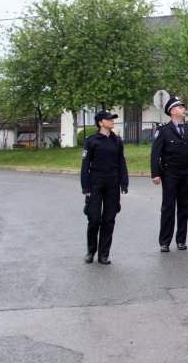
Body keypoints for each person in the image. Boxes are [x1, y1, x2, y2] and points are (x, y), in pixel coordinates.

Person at [150, 96, 188, 252]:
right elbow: (155, 154)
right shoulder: (163, 131)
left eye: (183, 107)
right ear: (172, 111)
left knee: (184, 208)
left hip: (187, 174)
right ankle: (165, 241)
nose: (183, 109)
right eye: (180, 107)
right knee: (168, 208)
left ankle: (181, 240)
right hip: (170, 173)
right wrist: (156, 174)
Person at [80, 110, 128, 265]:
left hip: (112, 183)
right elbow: (85, 165)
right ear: (101, 122)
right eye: (109, 119)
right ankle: (91, 251)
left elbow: (122, 163)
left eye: (113, 119)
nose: (112, 121)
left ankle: (104, 254)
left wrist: (124, 183)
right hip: (96, 182)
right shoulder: (91, 140)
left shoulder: (117, 141)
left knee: (109, 219)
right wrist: (85, 187)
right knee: (94, 218)